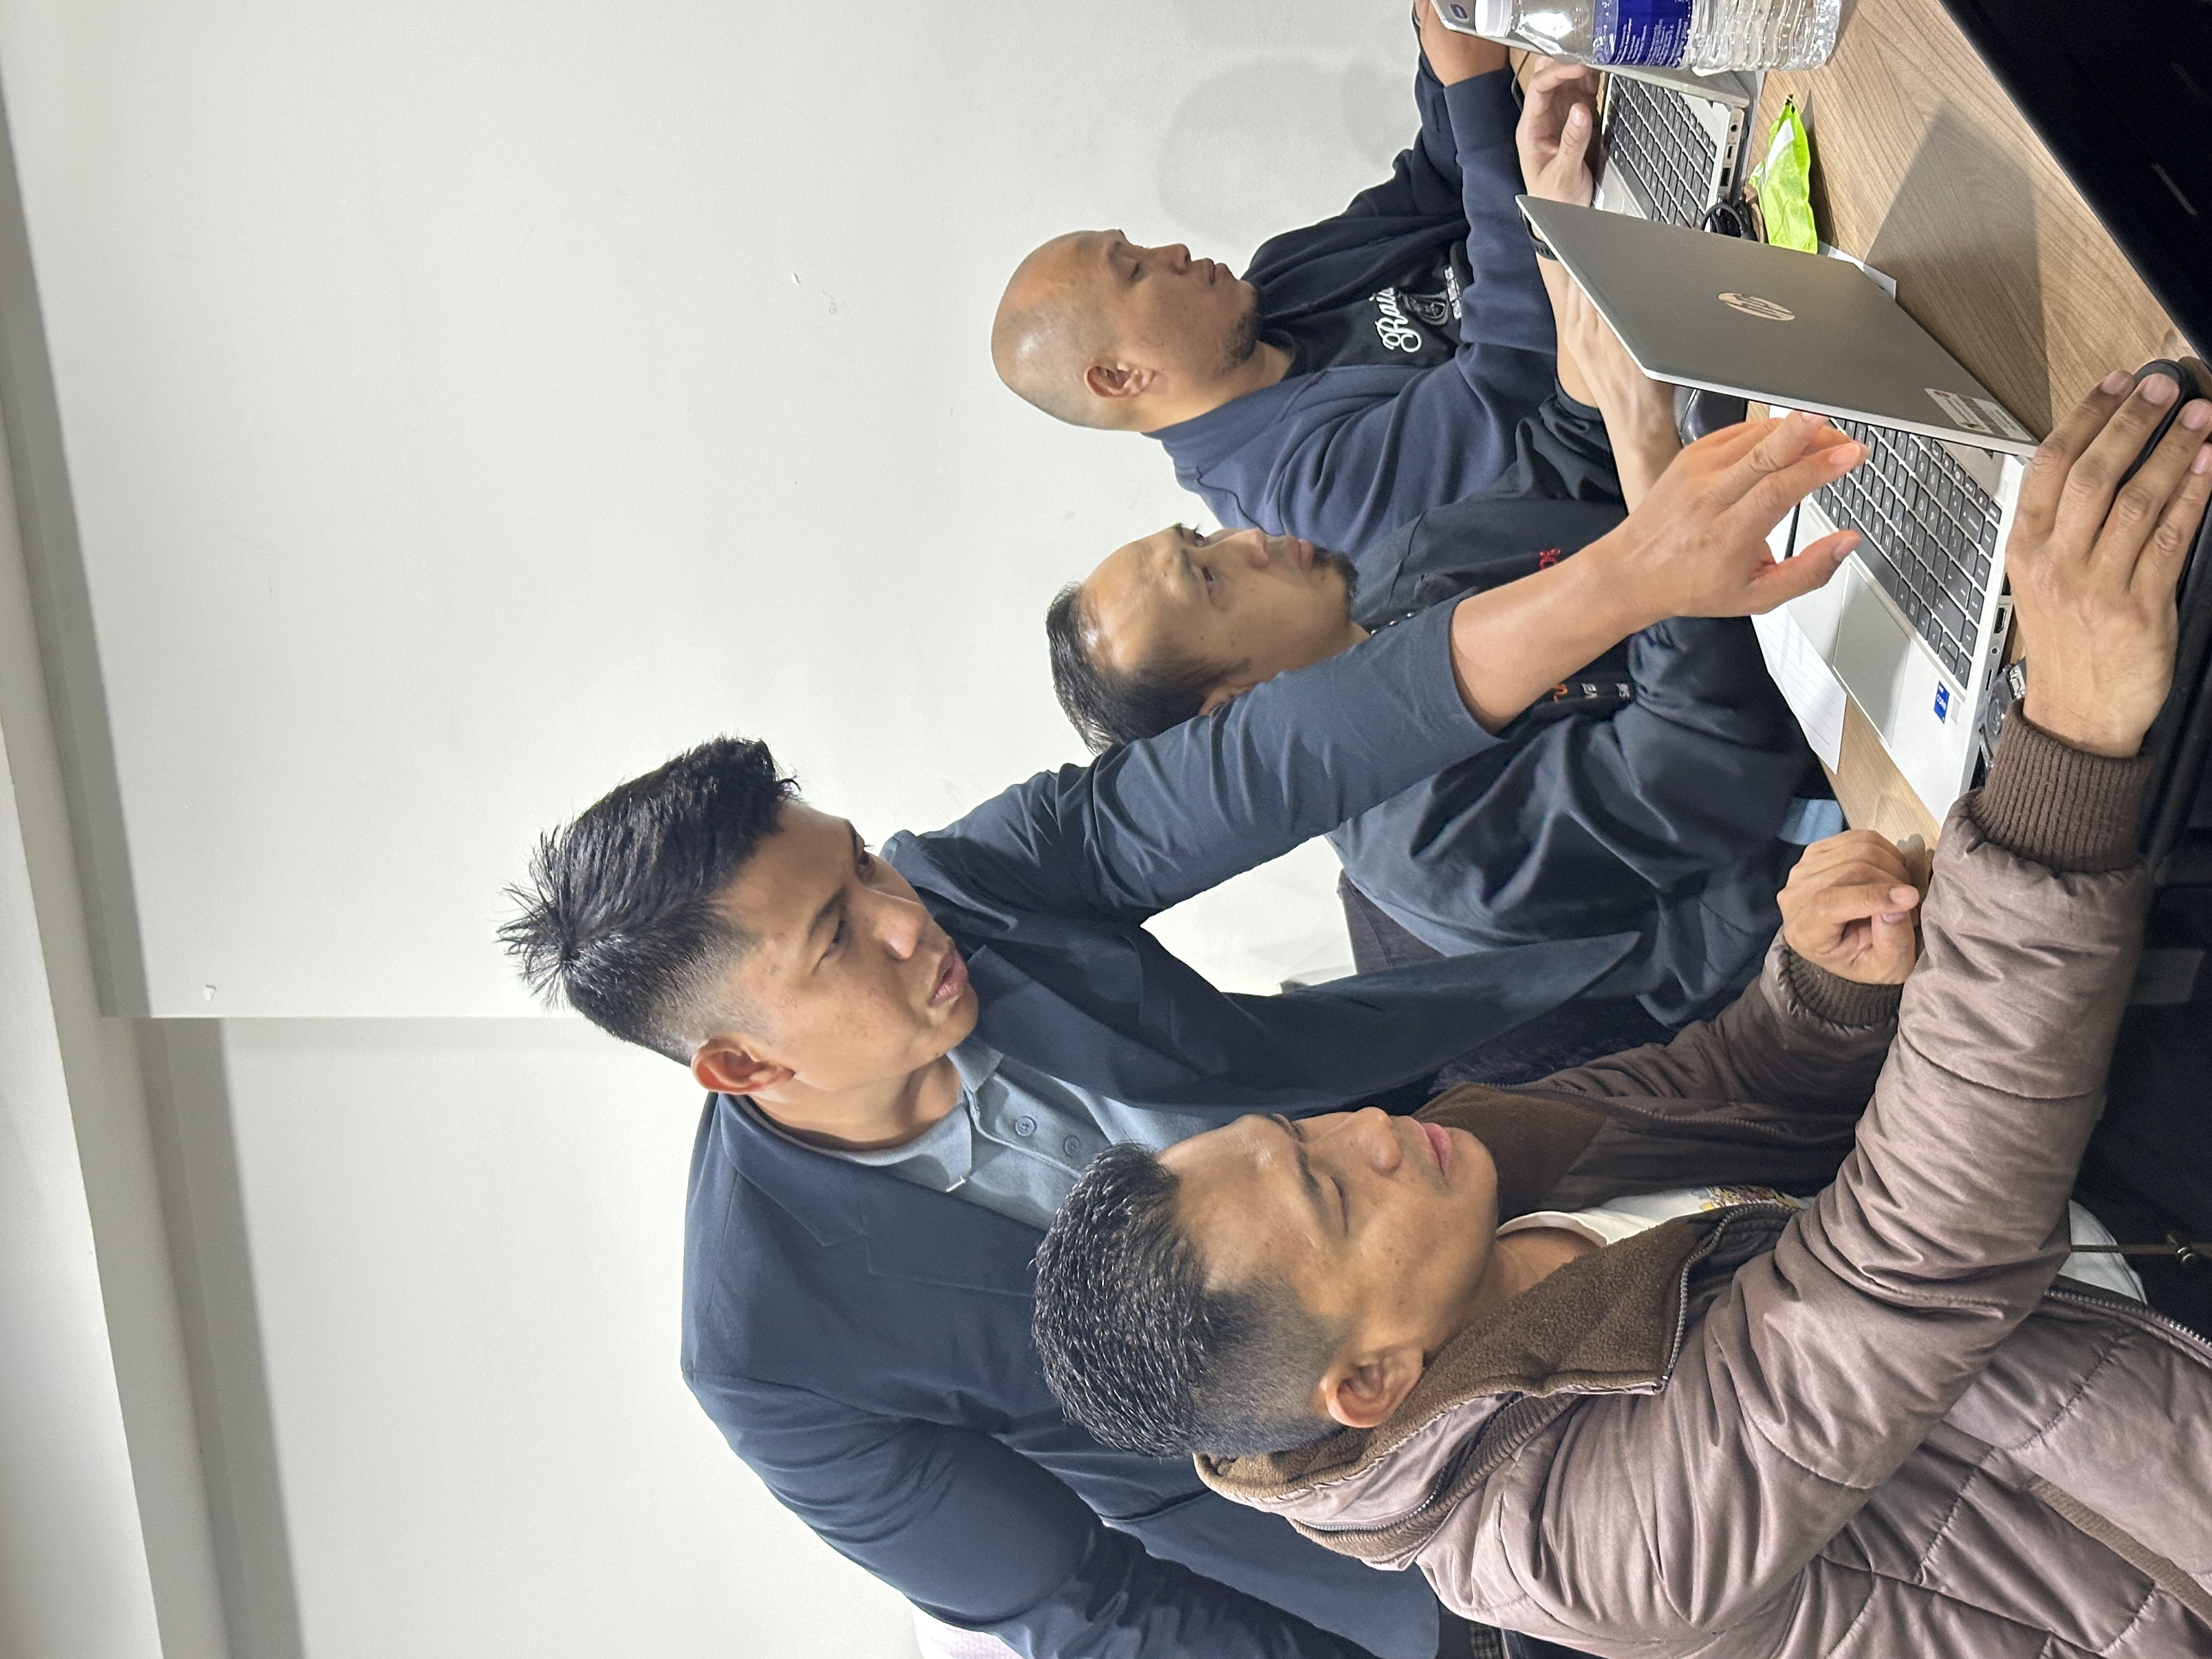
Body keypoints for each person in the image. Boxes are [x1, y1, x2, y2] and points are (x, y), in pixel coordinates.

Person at [499, 416, 1867, 1658]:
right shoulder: (772, 1346)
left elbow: (1271, 762)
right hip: (1441, 1552)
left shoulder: (966, 886)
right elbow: (1083, 1607)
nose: (905, 914)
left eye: (860, 864)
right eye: (837, 938)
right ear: (744, 1064)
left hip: (1472, 1158)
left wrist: (1623, 581)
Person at [1030, 370, 2212, 1654]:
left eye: (1307, 1134)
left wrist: (1820, 988)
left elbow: (1731, 1085)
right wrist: (2072, 745)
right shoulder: (1580, 1548)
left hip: (2100, 1247)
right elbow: (1915, 1262)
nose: (1370, 1131)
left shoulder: (1478, 1181)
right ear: (1366, 1384)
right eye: (1333, 1193)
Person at [1046, 287, 1826, 1043]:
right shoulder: (1419, 847)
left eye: (1201, 538)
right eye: (1211, 579)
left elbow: (1563, 461)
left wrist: (1575, 293)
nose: (1244, 540)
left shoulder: (1387, 581)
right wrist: (1647, 453)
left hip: (1795, 628)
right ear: (1235, 709)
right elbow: (1708, 761)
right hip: (1829, 814)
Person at [990, 6, 1604, 554]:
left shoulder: (1269, 285)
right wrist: (1473, 89)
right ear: (1120, 377)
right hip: (1641, 367)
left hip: (1594, 222)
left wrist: (1444, 34)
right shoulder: (1299, 501)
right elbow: (1514, 379)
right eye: (1135, 271)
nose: (1172, 250)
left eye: (1140, 247)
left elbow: (1436, 188)